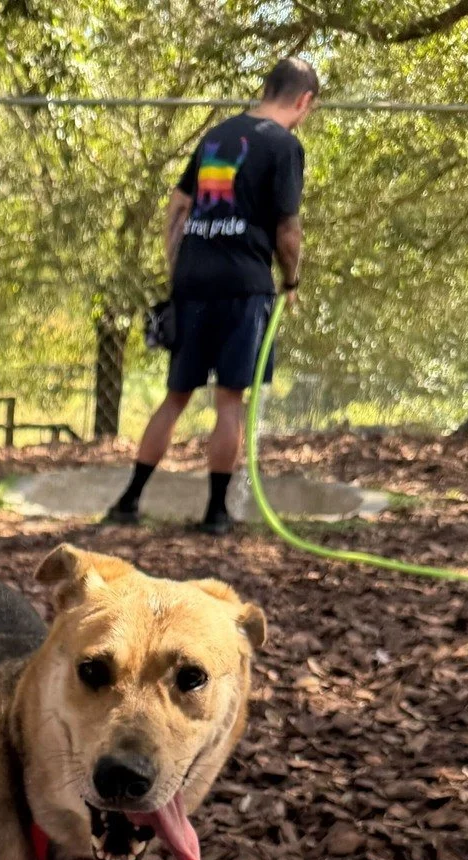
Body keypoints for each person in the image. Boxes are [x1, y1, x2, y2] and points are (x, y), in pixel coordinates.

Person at [107, 56, 318, 535]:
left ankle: (129, 501)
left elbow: (179, 205)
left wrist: (179, 269)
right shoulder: (285, 146)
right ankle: (216, 514)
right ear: (304, 100)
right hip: (244, 286)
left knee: (176, 396)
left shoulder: (218, 135)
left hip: (193, 284)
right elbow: (288, 228)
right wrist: (291, 281)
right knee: (229, 399)